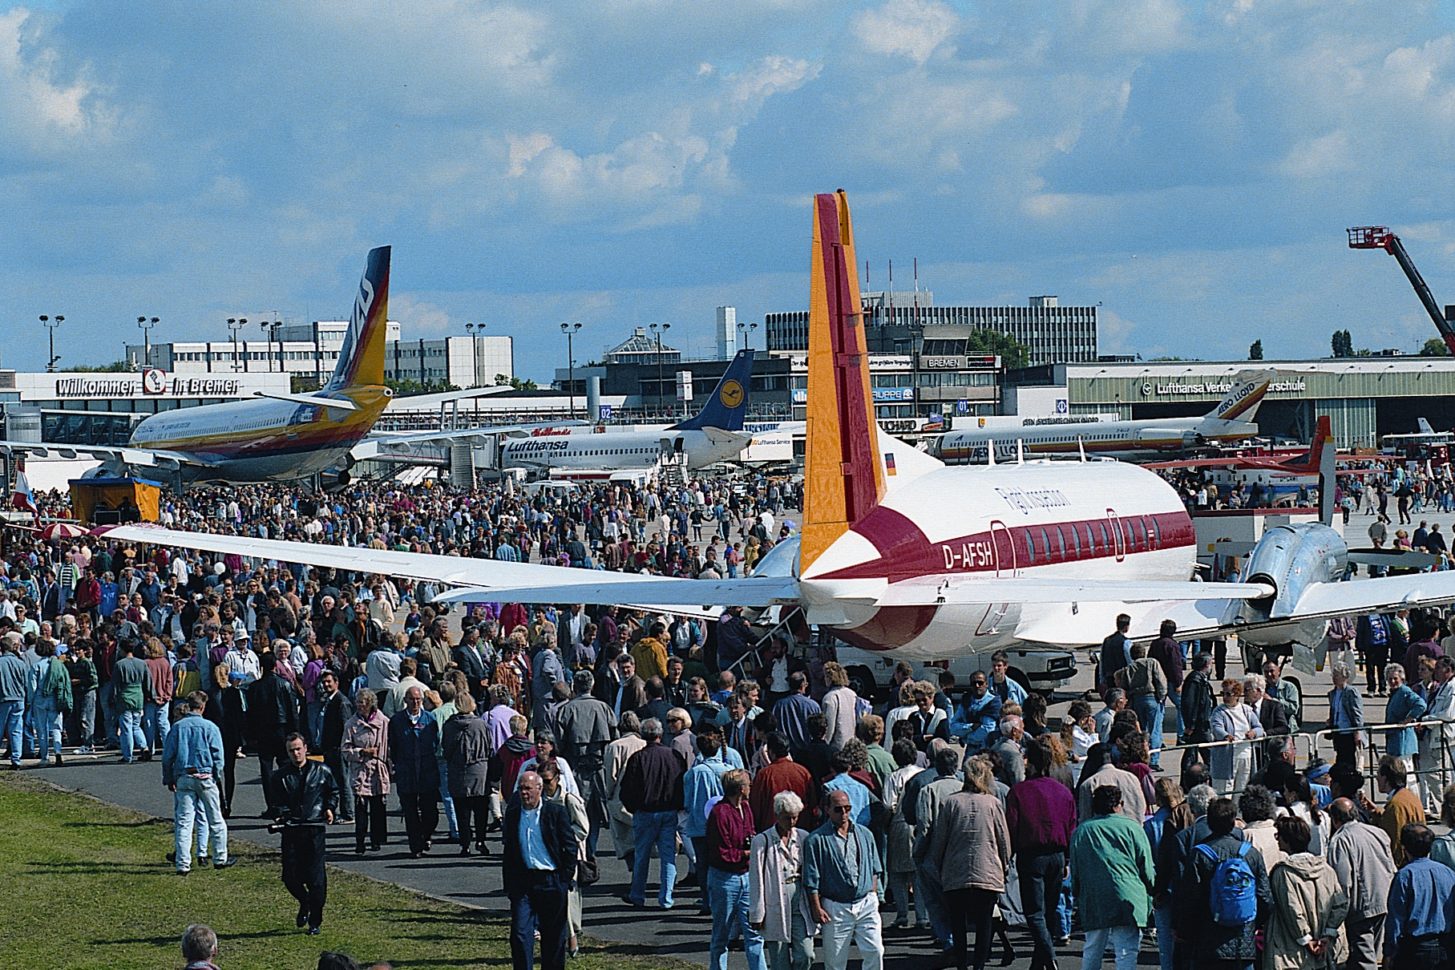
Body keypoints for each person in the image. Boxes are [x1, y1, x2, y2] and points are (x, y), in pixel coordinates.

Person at [927, 757, 1011, 970]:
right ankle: (979, 966)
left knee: (958, 922)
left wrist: (937, 864)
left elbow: (940, 839)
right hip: (987, 871)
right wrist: (1005, 865)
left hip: (956, 871)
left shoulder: (951, 802)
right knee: (984, 923)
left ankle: (962, 965)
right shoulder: (993, 803)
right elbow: (1003, 840)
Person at [1173, 796, 1272, 970]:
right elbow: (1265, 897)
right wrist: (1253, 923)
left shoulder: (1199, 854)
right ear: (1234, 821)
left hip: (1208, 940)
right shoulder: (1250, 854)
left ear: (1209, 821)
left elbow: (1190, 900)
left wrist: (1184, 931)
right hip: (1243, 941)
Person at [1006, 738, 1076, 970]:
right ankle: (1040, 962)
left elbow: (1012, 826)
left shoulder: (1019, 791)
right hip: (1057, 854)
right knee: (1047, 910)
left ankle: (1049, 958)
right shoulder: (1063, 792)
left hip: (1032, 855)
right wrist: (1067, 858)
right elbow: (1070, 826)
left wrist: (1010, 854)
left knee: (1034, 912)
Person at [1070, 783, 1155, 970]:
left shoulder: (1082, 831)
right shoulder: (1133, 828)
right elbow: (1147, 867)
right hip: (1129, 894)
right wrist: (1152, 890)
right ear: (1120, 804)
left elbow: (1076, 869)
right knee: (1126, 951)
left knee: (1093, 947)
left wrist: (1077, 893)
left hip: (1095, 895)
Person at [803, 788, 885, 970]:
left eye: (847, 808)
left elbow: (875, 867)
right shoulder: (815, 840)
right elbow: (811, 878)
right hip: (836, 907)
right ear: (827, 810)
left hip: (865, 903)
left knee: (875, 951)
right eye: (838, 809)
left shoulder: (864, 834)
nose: (844, 814)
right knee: (835, 961)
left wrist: (872, 894)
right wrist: (816, 907)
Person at [504, 770, 576, 970]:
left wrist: (564, 878)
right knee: (520, 933)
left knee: (553, 936)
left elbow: (570, 847)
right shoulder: (513, 814)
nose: (524, 793)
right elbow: (509, 849)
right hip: (524, 881)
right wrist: (509, 884)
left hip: (551, 881)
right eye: (521, 789)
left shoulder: (555, 812)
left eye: (528, 788)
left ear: (539, 788)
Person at [272, 731, 338, 934]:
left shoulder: (322, 770)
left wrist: (329, 808)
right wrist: (283, 814)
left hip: (314, 830)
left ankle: (315, 921)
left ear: (306, 749)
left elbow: (333, 791)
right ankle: (305, 902)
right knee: (290, 877)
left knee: (316, 879)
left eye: (299, 749)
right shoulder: (280, 776)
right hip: (292, 831)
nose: (296, 754)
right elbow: (277, 802)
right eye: (291, 751)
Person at [1264, 815, 1349, 970]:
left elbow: (1292, 909)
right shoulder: (1326, 869)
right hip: (1325, 944)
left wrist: (1305, 939)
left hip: (1291, 951)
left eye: (1279, 836)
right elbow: (1340, 904)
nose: (1277, 840)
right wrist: (1328, 934)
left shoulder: (1284, 872)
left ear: (1287, 840)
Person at [162, 690, 232, 875]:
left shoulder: (177, 727)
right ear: (202, 706)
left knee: (184, 822)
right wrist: (216, 776)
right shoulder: (210, 727)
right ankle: (219, 857)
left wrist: (169, 778)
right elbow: (218, 756)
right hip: (205, 775)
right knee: (215, 818)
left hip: (184, 776)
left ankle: (183, 863)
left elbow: (167, 756)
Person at [619, 716, 686, 909]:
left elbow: (627, 789)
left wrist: (634, 808)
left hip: (645, 812)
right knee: (668, 857)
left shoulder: (638, 758)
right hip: (668, 811)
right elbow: (681, 784)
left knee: (641, 856)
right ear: (660, 733)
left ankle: (638, 895)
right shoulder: (674, 756)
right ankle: (666, 898)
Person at [1326, 797, 1395, 970]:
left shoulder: (1340, 840)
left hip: (1361, 908)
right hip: (1384, 900)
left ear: (1335, 820)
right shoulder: (1378, 832)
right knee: (1377, 955)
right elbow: (1390, 867)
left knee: (1365, 961)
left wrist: (1336, 916)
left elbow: (1341, 881)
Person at [749, 790, 815, 970]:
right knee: (779, 960)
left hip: (799, 904)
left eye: (795, 817)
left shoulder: (803, 837)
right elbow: (756, 879)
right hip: (774, 903)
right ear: (777, 815)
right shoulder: (761, 841)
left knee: (806, 955)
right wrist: (757, 913)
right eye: (787, 818)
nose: (792, 822)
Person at [554, 668, 615, 859]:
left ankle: (581, 853)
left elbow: (558, 742)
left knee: (574, 812)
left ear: (574, 686)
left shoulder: (566, 710)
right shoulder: (604, 708)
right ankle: (591, 851)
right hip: (599, 770)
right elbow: (614, 737)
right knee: (595, 814)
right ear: (592, 685)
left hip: (574, 769)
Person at [706, 769, 764, 970]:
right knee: (721, 933)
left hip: (747, 877)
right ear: (741, 788)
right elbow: (722, 851)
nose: (751, 787)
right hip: (725, 879)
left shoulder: (746, 808)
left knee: (754, 932)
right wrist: (747, 853)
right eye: (749, 784)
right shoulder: (719, 813)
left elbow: (750, 834)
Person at [388, 685, 440, 858]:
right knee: (410, 812)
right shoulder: (396, 721)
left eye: (418, 699)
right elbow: (393, 746)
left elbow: (436, 743)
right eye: (412, 699)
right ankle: (415, 846)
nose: (415, 702)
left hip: (427, 771)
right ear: (405, 701)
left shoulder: (430, 720)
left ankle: (426, 835)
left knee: (430, 812)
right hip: (406, 771)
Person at [248, 651, 301, 818]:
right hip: (282, 728)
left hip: (263, 730)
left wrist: (251, 735)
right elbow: (292, 711)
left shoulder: (255, 687)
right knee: (286, 765)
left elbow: (251, 713)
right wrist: (296, 732)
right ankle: (287, 802)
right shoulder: (284, 684)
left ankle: (272, 805)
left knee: (266, 768)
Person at [442, 691, 493, 855]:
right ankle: (481, 840)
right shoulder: (481, 724)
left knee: (462, 811)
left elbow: (445, 748)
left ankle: (465, 844)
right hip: (479, 770)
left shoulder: (449, 725)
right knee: (481, 810)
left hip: (458, 770)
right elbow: (489, 747)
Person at [343, 688, 391, 854]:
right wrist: (361, 752)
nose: (359, 707)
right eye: (357, 703)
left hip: (378, 770)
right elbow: (345, 750)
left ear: (370, 704)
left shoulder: (384, 721)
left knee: (378, 808)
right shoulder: (351, 724)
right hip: (361, 771)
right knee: (361, 808)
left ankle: (376, 840)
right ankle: (360, 841)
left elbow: (389, 745)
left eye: (362, 704)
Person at [1363, 754, 1426, 868]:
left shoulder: (1396, 805)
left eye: (1379, 775)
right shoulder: (1409, 796)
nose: (1376, 778)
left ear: (1386, 778)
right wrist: (1377, 812)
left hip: (1403, 865)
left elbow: (1395, 841)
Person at [749, 731, 817, 832]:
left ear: (771, 752)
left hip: (772, 832)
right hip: (801, 830)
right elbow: (813, 804)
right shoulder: (803, 772)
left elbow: (755, 806)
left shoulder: (764, 775)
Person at [604, 711, 645, 869]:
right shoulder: (644, 744)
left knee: (624, 838)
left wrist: (609, 793)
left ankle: (634, 870)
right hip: (641, 796)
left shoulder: (614, 746)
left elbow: (611, 774)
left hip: (620, 795)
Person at [1209, 679, 1263, 798]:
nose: (1225, 697)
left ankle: (1238, 815)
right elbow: (1216, 727)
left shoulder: (1246, 710)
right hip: (1227, 757)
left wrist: (1253, 733)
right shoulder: (1219, 711)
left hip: (1245, 755)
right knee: (1225, 790)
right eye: (1223, 693)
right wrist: (1225, 735)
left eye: (1228, 694)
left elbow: (1259, 728)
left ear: (1237, 695)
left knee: (1241, 790)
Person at [1326, 662, 1365, 766]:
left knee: (1348, 760)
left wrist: (1357, 732)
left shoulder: (1351, 692)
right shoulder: (1333, 693)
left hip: (1348, 732)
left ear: (1344, 676)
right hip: (1338, 732)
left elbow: (1357, 713)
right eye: (1333, 675)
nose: (1334, 678)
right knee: (1340, 758)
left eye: (1337, 675)